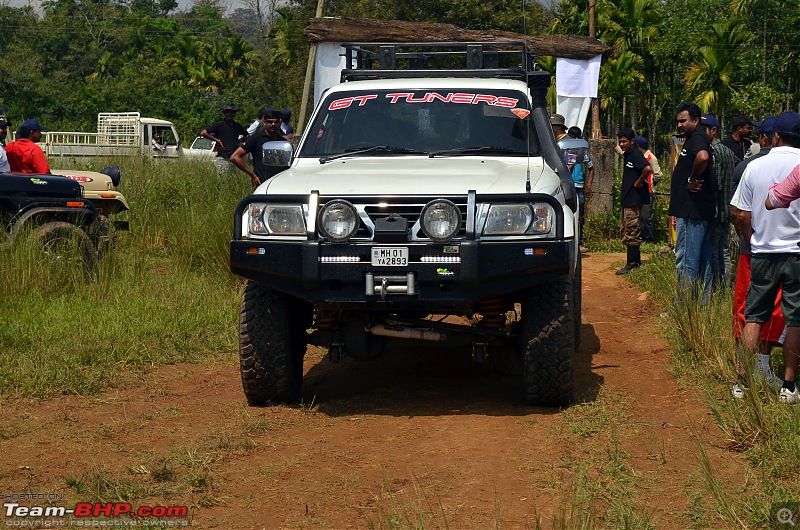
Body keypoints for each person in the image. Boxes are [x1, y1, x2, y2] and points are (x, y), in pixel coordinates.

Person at [730, 111, 800, 404]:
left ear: (776, 137)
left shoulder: (755, 167)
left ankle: (742, 383)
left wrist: (751, 238)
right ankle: (789, 385)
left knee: (754, 315)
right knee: (795, 319)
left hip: (763, 251)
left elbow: (739, 213)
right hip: (796, 252)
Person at [668, 103, 715, 303]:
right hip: (699, 212)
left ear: (695, 121)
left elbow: (702, 158)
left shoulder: (696, 138)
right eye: (678, 121)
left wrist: (691, 179)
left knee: (686, 260)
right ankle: (702, 306)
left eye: (683, 121)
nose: (679, 125)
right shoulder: (696, 139)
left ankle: (684, 306)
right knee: (703, 260)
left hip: (691, 212)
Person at [701, 114, 738, 288]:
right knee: (724, 252)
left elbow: (714, 187)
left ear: (713, 131)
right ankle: (726, 287)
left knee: (713, 253)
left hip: (716, 212)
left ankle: (716, 288)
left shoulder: (713, 152)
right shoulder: (729, 152)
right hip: (727, 210)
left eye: (704, 129)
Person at [615, 128, 652, 274]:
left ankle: (632, 263)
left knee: (632, 229)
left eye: (624, 141)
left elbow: (648, 169)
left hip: (634, 199)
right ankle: (634, 261)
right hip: (628, 198)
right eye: (620, 142)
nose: (622, 144)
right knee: (626, 229)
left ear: (632, 141)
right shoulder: (628, 155)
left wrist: (638, 182)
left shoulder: (636, 154)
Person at [230, 109, 289, 188]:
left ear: (280, 122)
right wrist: (253, 175)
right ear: (264, 123)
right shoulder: (256, 139)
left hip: (280, 184)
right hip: (261, 184)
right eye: (270, 122)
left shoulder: (283, 142)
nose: (273, 124)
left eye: (276, 122)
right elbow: (234, 157)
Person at [561, 125, 594, 252]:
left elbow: (591, 168)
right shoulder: (564, 149)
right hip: (568, 186)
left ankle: (579, 242)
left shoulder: (582, 152)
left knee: (579, 216)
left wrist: (589, 185)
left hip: (578, 186)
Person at [201, 103, 248, 175]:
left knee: (234, 180)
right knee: (223, 180)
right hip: (223, 157)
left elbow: (247, 135)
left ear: (234, 114)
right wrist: (217, 140)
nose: (229, 114)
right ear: (224, 114)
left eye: (231, 112)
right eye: (227, 112)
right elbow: (204, 133)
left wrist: (239, 141)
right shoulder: (219, 125)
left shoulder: (237, 126)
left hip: (234, 158)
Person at [634, 136, 662, 241]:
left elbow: (658, 174)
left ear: (638, 146)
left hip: (648, 191)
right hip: (639, 190)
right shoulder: (638, 156)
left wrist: (652, 181)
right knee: (639, 217)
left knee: (645, 217)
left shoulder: (651, 157)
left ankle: (649, 238)